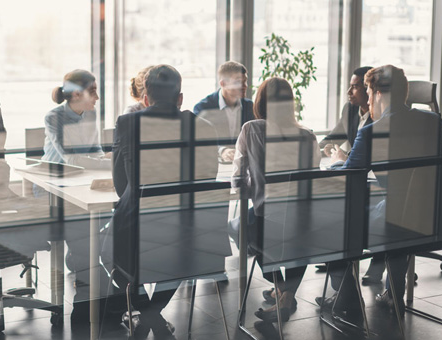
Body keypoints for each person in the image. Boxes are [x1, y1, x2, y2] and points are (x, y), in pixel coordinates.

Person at [333, 65, 442, 317]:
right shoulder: (435, 122)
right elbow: (441, 169)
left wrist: (337, 163)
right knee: (399, 208)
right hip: (436, 218)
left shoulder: (371, 132)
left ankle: (346, 298)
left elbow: (348, 179)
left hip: (394, 224)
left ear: (375, 93)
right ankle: (394, 292)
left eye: (367, 90)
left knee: (332, 220)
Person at [110, 64, 210, 339]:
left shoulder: (127, 122)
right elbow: (206, 182)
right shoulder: (201, 126)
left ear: (144, 99)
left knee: (118, 259)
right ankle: (154, 317)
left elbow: (121, 184)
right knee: (178, 258)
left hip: (136, 229)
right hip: (185, 233)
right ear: (180, 98)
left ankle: (147, 318)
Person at [232, 77, 321, 324]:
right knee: (296, 235)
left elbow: (238, 181)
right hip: (303, 221)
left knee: (248, 227)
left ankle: (281, 289)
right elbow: (311, 179)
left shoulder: (251, 129)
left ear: (260, 102)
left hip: (267, 217)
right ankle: (285, 295)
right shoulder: (308, 136)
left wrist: (258, 189)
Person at [42, 69, 111, 169]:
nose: (97, 97)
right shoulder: (53, 118)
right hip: (53, 177)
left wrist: (105, 158)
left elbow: (94, 150)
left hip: (78, 174)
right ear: (76, 94)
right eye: (92, 92)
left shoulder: (91, 113)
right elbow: (72, 160)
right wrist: (110, 163)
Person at [193, 61, 254, 163]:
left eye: (245, 81)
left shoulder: (250, 107)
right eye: (238, 82)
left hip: (244, 164)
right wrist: (222, 150)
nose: (245, 86)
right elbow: (199, 140)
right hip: (213, 164)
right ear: (223, 83)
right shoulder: (203, 108)